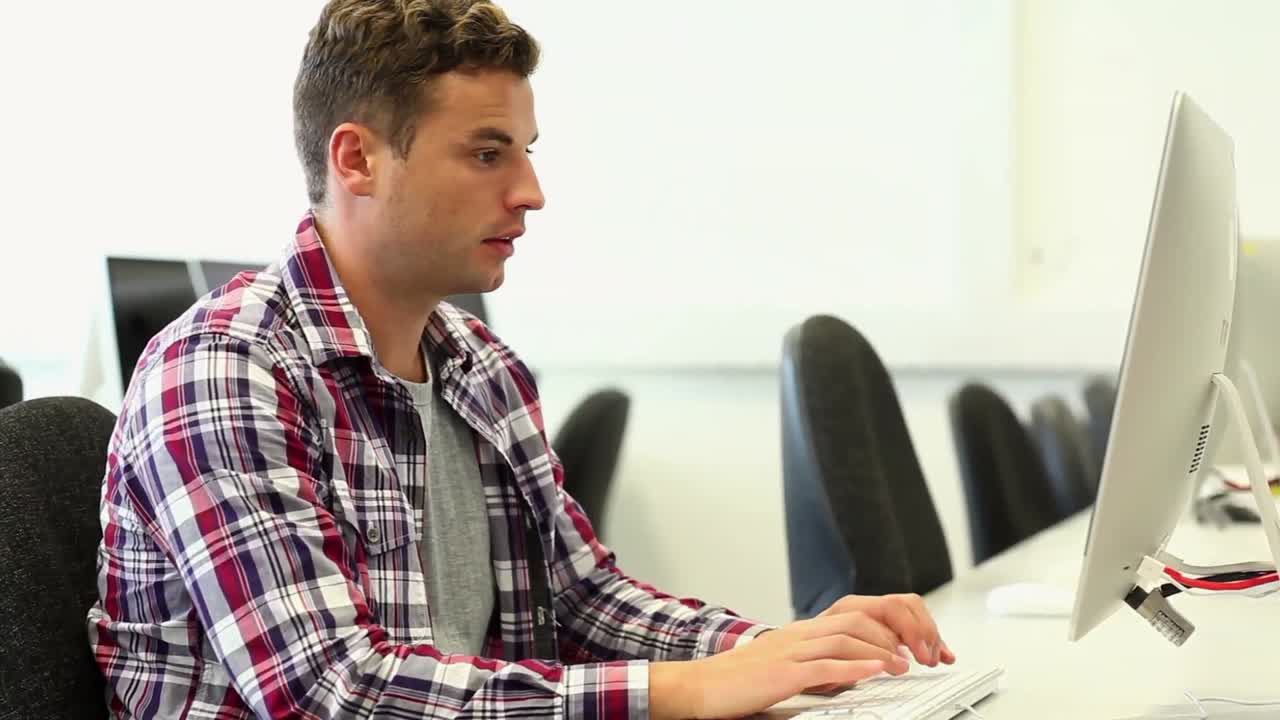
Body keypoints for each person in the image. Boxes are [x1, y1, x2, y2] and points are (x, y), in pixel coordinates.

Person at [87, 1, 955, 717]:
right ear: (357, 159)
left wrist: (777, 650)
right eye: (486, 153)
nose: (530, 193)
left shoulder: (479, 364)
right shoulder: (223, 368)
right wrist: (688, 691)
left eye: (525, 153)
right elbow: (330, 692)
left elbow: (581, 600)